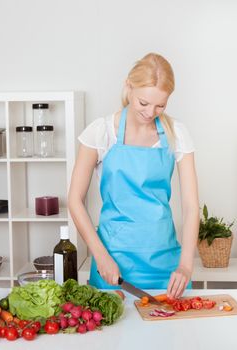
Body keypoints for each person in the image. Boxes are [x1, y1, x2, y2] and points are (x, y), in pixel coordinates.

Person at [68, 53, 199, 299]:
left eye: (160, 105)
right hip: (113, 265)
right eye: (143, 103)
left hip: (166, 267)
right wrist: (100, 256)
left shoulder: (177, 134)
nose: (151, 112)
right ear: (129, 87)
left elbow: (192, 207)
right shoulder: (101, 132)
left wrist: (185, 266)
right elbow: (75, 200)